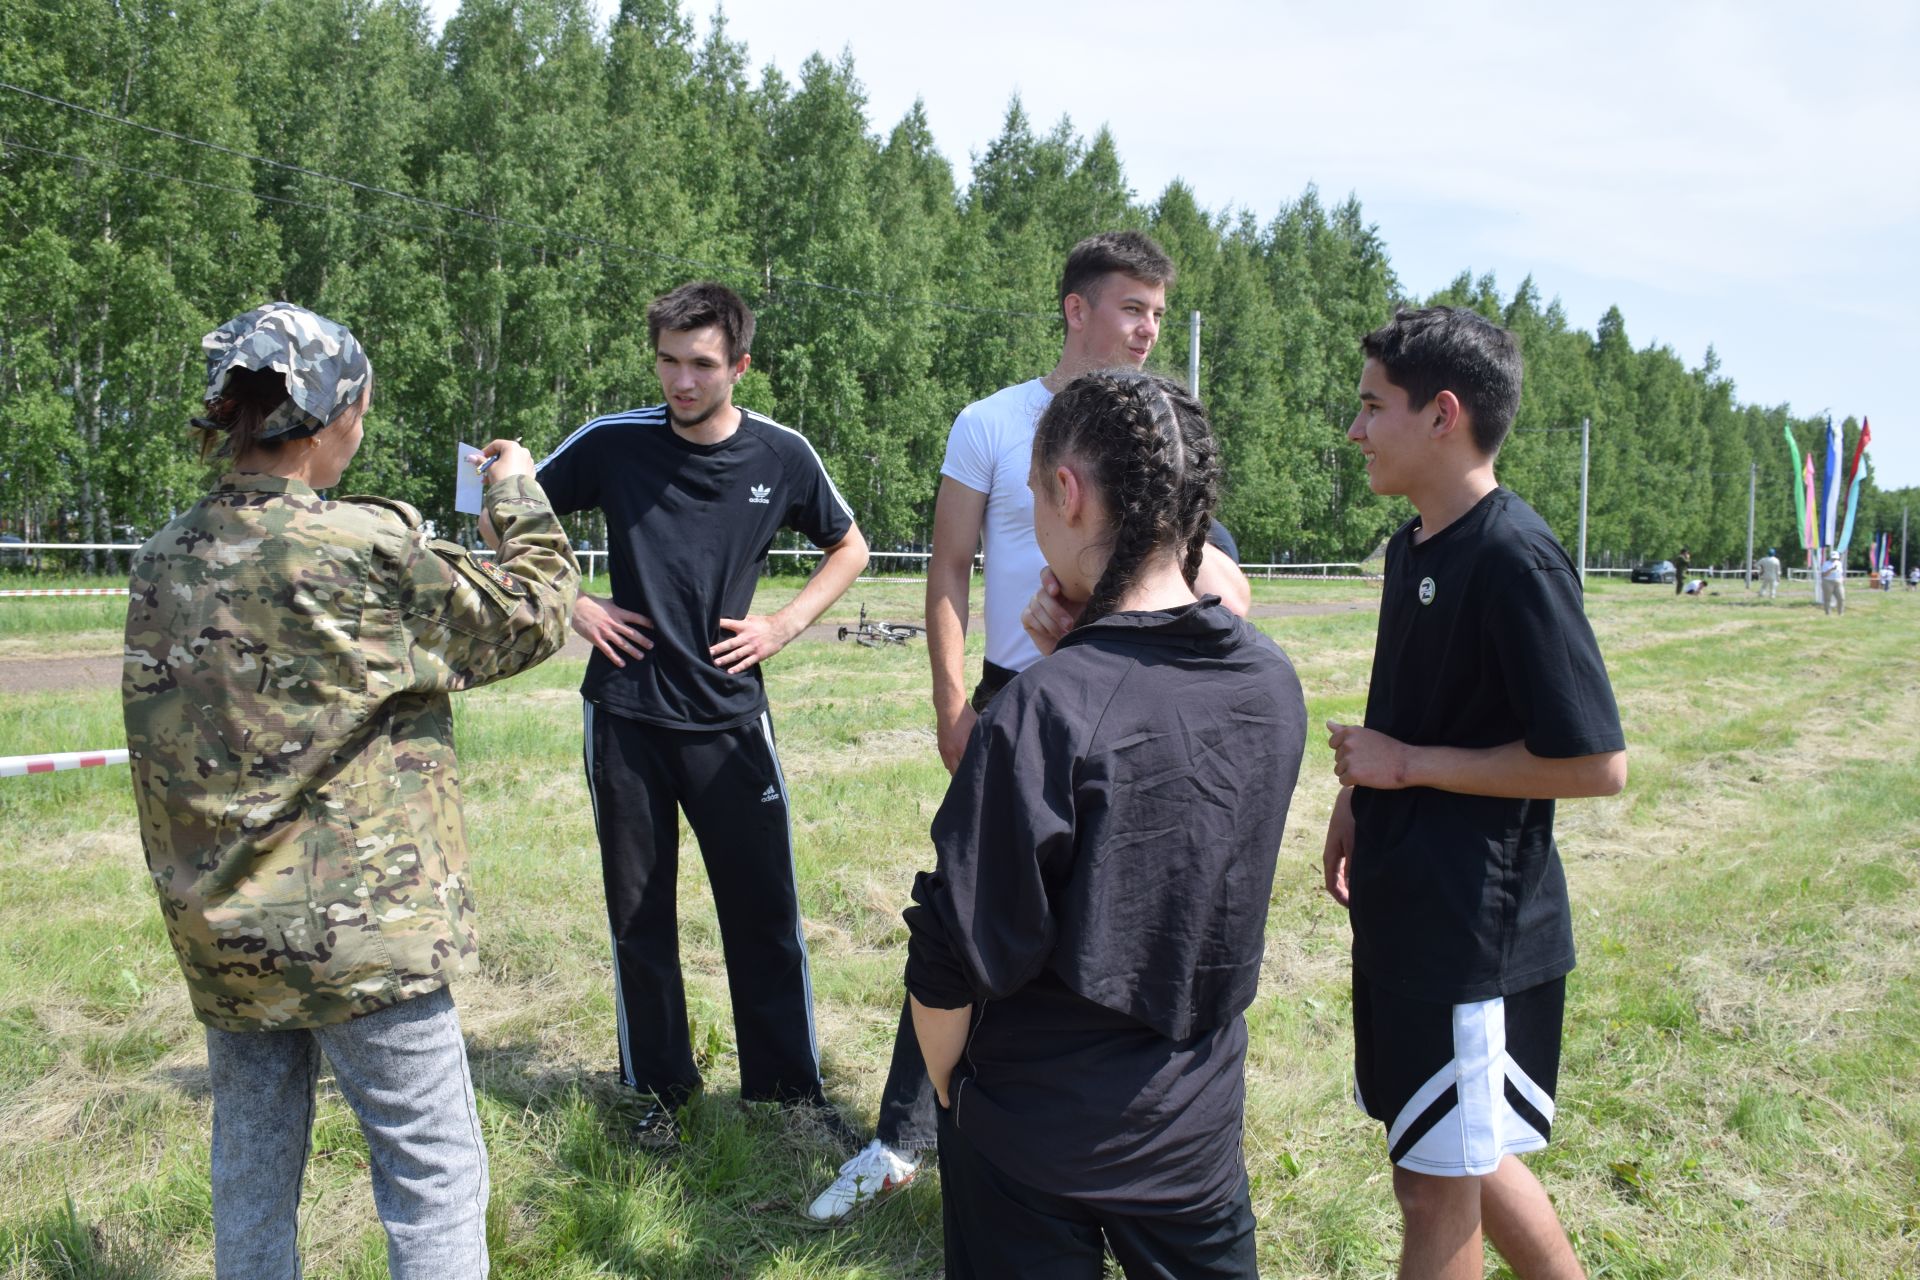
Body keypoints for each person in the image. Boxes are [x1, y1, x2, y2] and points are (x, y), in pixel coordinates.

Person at [123, 303, 579, 1278]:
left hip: (225, 931)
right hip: (361, 934)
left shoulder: (162, 557)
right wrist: (518, 490)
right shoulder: (363, 549)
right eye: (361, 407)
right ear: (334, 416)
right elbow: (536, 610)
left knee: (251, 1176)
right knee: (433, 1180)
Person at [808, 230, 1250, 1220]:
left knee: (1101, 921)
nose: (1148, 332)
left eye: (1159, 316)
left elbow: (1223, 585)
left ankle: (1086, 1135)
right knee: (961, 913)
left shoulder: (1159, 432)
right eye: (1133, 309)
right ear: (1076, 308)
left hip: (1129, 695)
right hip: (1015, 695)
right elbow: (949, 568)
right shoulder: (995, 424)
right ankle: (903, 1135)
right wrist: (952, 700)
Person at [904, 369, 1306, 1278]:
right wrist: (1081, 658)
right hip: (1193, 1134)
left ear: (1068, 493)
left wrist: (955, 1094)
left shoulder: (1045, 711)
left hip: (1032, 1137)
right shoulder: (1272, 686)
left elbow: (949, 949)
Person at [1322, 307, 1627, 1280]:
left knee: (1435, 1187)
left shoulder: (1514, 557)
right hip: (1411, 912)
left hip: (1475, 937)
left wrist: (1406, 766)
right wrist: (1358, 800)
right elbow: (1403, 710)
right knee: (1456, 1150)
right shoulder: (1417, 544)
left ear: (1442, 413)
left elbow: (1594, 763)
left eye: (1373, 405)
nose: (1356, 428)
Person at [532, 281, 869, 1145]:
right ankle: (658, 1095)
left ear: (739, 366)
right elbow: (510, 515)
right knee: (639, 919)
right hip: (627, 717)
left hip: (729, 720)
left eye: (703, 365)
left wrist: (784, 625)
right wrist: (576, 603)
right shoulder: (612, 442)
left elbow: (849, 544)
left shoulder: (782, 455)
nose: (682, 381)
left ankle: (788, 1098)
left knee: (763, 915)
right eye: (669, 362)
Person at [1819, 547, 1846, 615]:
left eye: (1835, 558)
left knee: (1841, 598)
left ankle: (1840, 613)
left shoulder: (1839, 563)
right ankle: (1828, 613)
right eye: (1833, 558)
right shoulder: (1826, 564)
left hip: (1838, 582)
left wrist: (1842, 579)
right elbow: (1823, 575)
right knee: (1827, 599)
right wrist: (1831, 570)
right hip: (1828, 582)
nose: (1834, 559)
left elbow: (1841, 573)